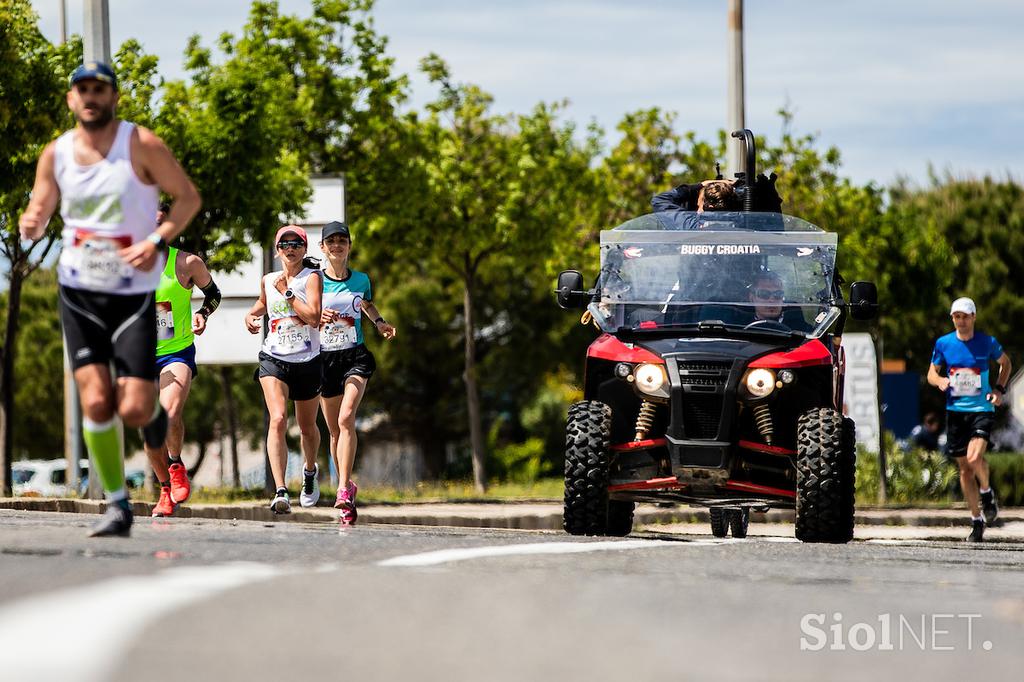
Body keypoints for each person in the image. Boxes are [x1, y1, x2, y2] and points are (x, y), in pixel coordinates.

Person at [18, 61, 200, 537]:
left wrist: (158, 241)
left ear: (113, 96)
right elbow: (41, 202)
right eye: (83, 89)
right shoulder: (55, 153)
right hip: (80, 290)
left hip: (131, 295)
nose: (91, 96)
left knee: (137, 409)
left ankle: (157, 424)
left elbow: (186, 199)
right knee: (97, 401)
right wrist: (32, 221)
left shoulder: (139, 144)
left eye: (100, 88)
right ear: (71, 99)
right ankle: (119, 504)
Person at [316, 221, 396, 525]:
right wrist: (316, 315)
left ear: (349, 246)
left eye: (342, 241)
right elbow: (302, 313)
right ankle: (347, 484)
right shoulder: (314, 281)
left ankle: (342, 490)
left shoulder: (361, 279)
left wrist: (380, 323)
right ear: (323, 248)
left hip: (355, 357)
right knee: (334, 431)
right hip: (325, 360)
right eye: (331, 242)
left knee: (346, 417)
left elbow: (366, 305)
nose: (337, 246)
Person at [146, 203, 221, 517]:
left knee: (170, 412)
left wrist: (202, 314)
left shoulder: (188, 263)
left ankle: (176, 464)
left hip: (176, 352)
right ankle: (165, 489)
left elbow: (214, 294)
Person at [245, 225, 323, 514]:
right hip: (274, 358)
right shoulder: (268, 279)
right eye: (284, 244)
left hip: (307, 361)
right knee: (277, 418)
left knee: (306, 427)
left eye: (296, 244)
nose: (290, 249)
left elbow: (314, 317)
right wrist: (252, 315)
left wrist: (288, 293)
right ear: (277, 250)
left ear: (304, 249)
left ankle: (309, 470)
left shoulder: (311, 277)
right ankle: (280, 490)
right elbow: (265, 303)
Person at [927, 297, 1012, 542]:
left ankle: (986, 493)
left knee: (975, 458)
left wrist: (998, 390)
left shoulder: (987, 342)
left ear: (973, 317)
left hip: (982, 409)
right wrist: (940, 381)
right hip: (955, 412)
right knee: (965, 470)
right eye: (956, 316)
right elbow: (932, 372)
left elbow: (1005, 364)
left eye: (965, 316)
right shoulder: (944, 343)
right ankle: (977, 520)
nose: (960, 321)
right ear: (952, 318)